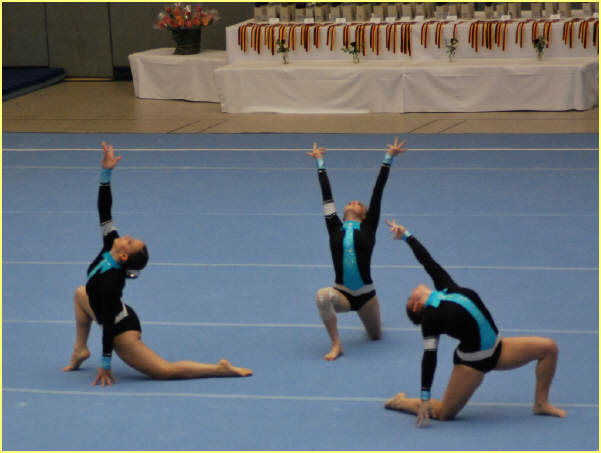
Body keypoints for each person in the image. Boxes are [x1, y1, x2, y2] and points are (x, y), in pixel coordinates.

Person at [63, 142, 252, 386]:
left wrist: (106, 364)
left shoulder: (110, 284)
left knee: (164, 371)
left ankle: (219, 369)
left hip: (121, 329)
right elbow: (104, 209)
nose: (127, 236)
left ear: (124, 256)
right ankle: (80, 349)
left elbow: (108, 326)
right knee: (81, 293)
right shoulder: (111, 243)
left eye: (130, 242)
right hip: (108, 308)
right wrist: (105, 173)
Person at [383, 218, 566, 426]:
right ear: (416, 306)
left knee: (549, 349)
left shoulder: (446, 287)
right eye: (409, 297)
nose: (411, 290)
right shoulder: (431, 319)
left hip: (499, 349)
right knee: (443, 413)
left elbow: (427, 261)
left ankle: (541, 403)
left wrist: (406, 236)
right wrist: (425, 397)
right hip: (472, 364)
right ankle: (400, 402)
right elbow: (429, 357)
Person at [306, 138, 407, 360]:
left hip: (366, 296)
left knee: (375, 336)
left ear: (364, 214)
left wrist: (389, 158)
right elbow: (327, 197)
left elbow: (378, 192)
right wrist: (320, 162)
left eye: (359, 203)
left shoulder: (368, 227)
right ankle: (336, 344)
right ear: (343, 213)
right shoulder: (334, 226)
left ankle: (372, 319)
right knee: (322, 297)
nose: (353, 202)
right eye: (350, 202)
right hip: (341, 293)